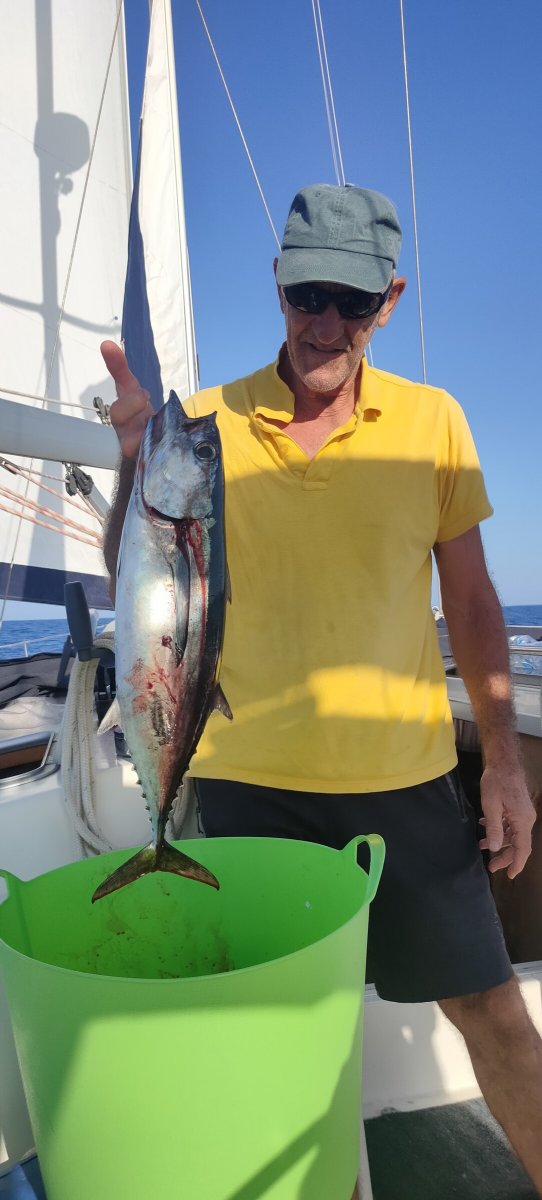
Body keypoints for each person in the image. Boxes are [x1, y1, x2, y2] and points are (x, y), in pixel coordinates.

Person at [101, 184, 542, 1196]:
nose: (322, 323)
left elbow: (469, 600)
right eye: (305, 293)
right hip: (245, 783)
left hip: (402, 779)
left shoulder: (431, 422)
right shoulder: (203, 423)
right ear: (277, 285)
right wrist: (133, 462)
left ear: (386, 300)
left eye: (348, 300)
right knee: (285, 1035)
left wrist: (502, 768)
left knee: (492, 1015)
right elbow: (141, 570)